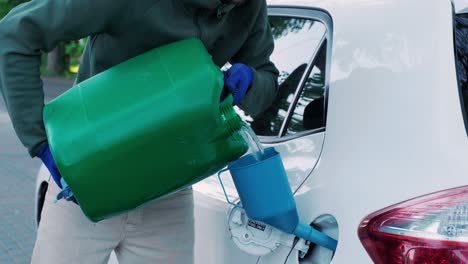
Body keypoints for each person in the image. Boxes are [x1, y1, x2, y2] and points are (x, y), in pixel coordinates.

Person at [0, 0, 279, 263]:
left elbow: (266, 75)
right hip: (88, 181)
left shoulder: (249, 7)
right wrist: (42, 145)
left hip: (169, 191)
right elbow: (14, 34)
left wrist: (253, 81)